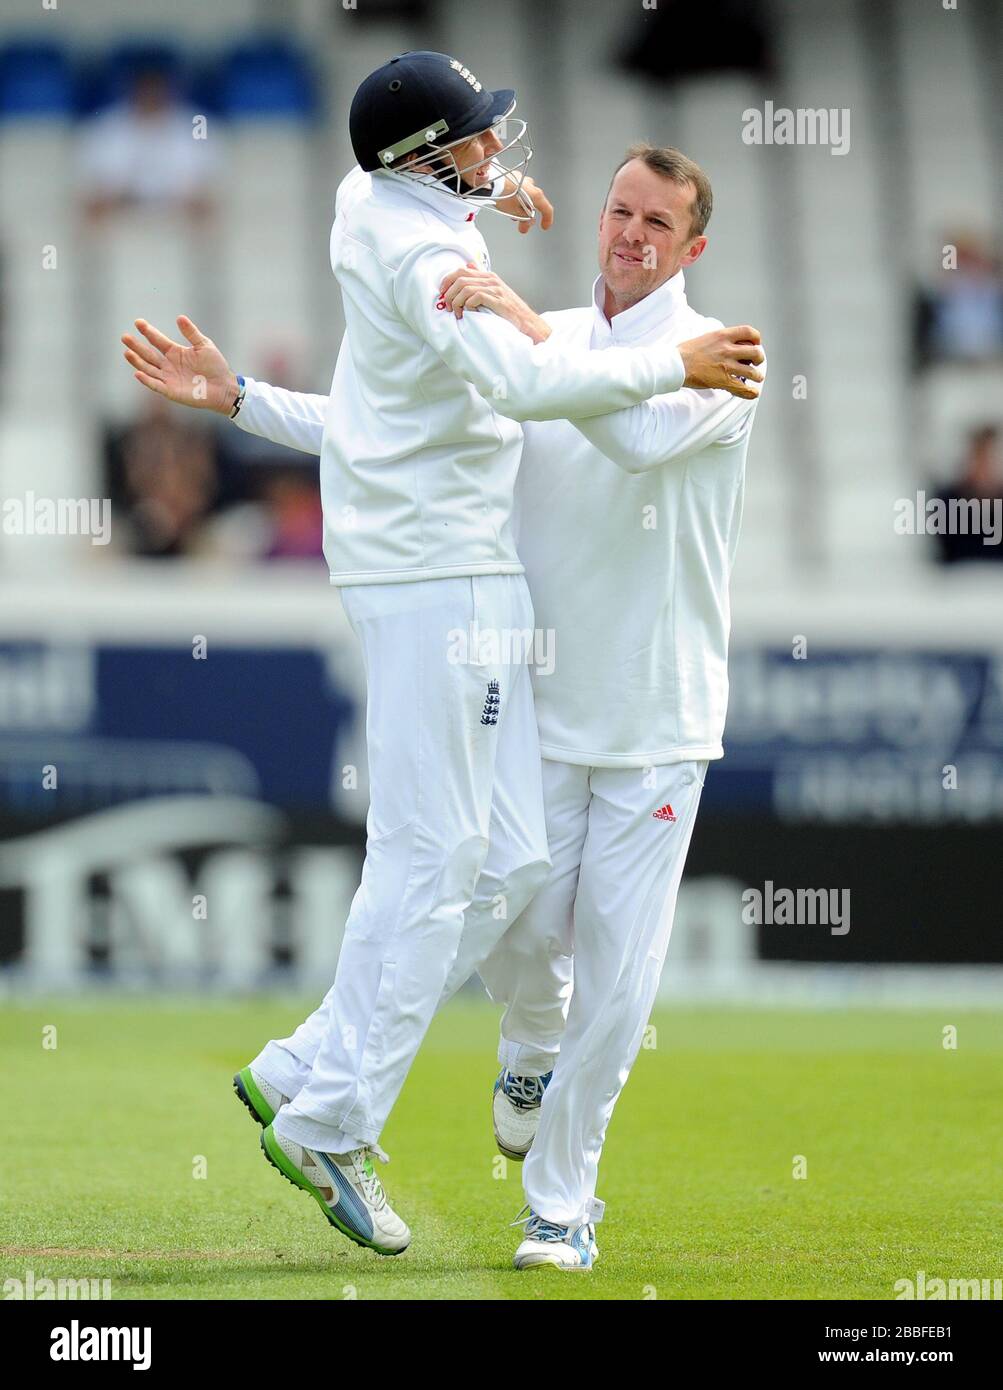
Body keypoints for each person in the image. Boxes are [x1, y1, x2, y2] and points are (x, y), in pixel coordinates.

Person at [123, 54, 764, 1260]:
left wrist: (248, 395)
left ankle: (325, 1073)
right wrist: (551, 322)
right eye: (618, 208)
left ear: (688, 248)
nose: (623, 230)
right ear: (424, 161)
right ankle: (331, 1114)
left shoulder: (697, 345)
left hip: (624, 688)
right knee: (446, 857)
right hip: (456, 595)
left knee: (512, 872)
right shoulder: (494, 299)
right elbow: (540, 389)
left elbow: (403, 424)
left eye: (653, 219)